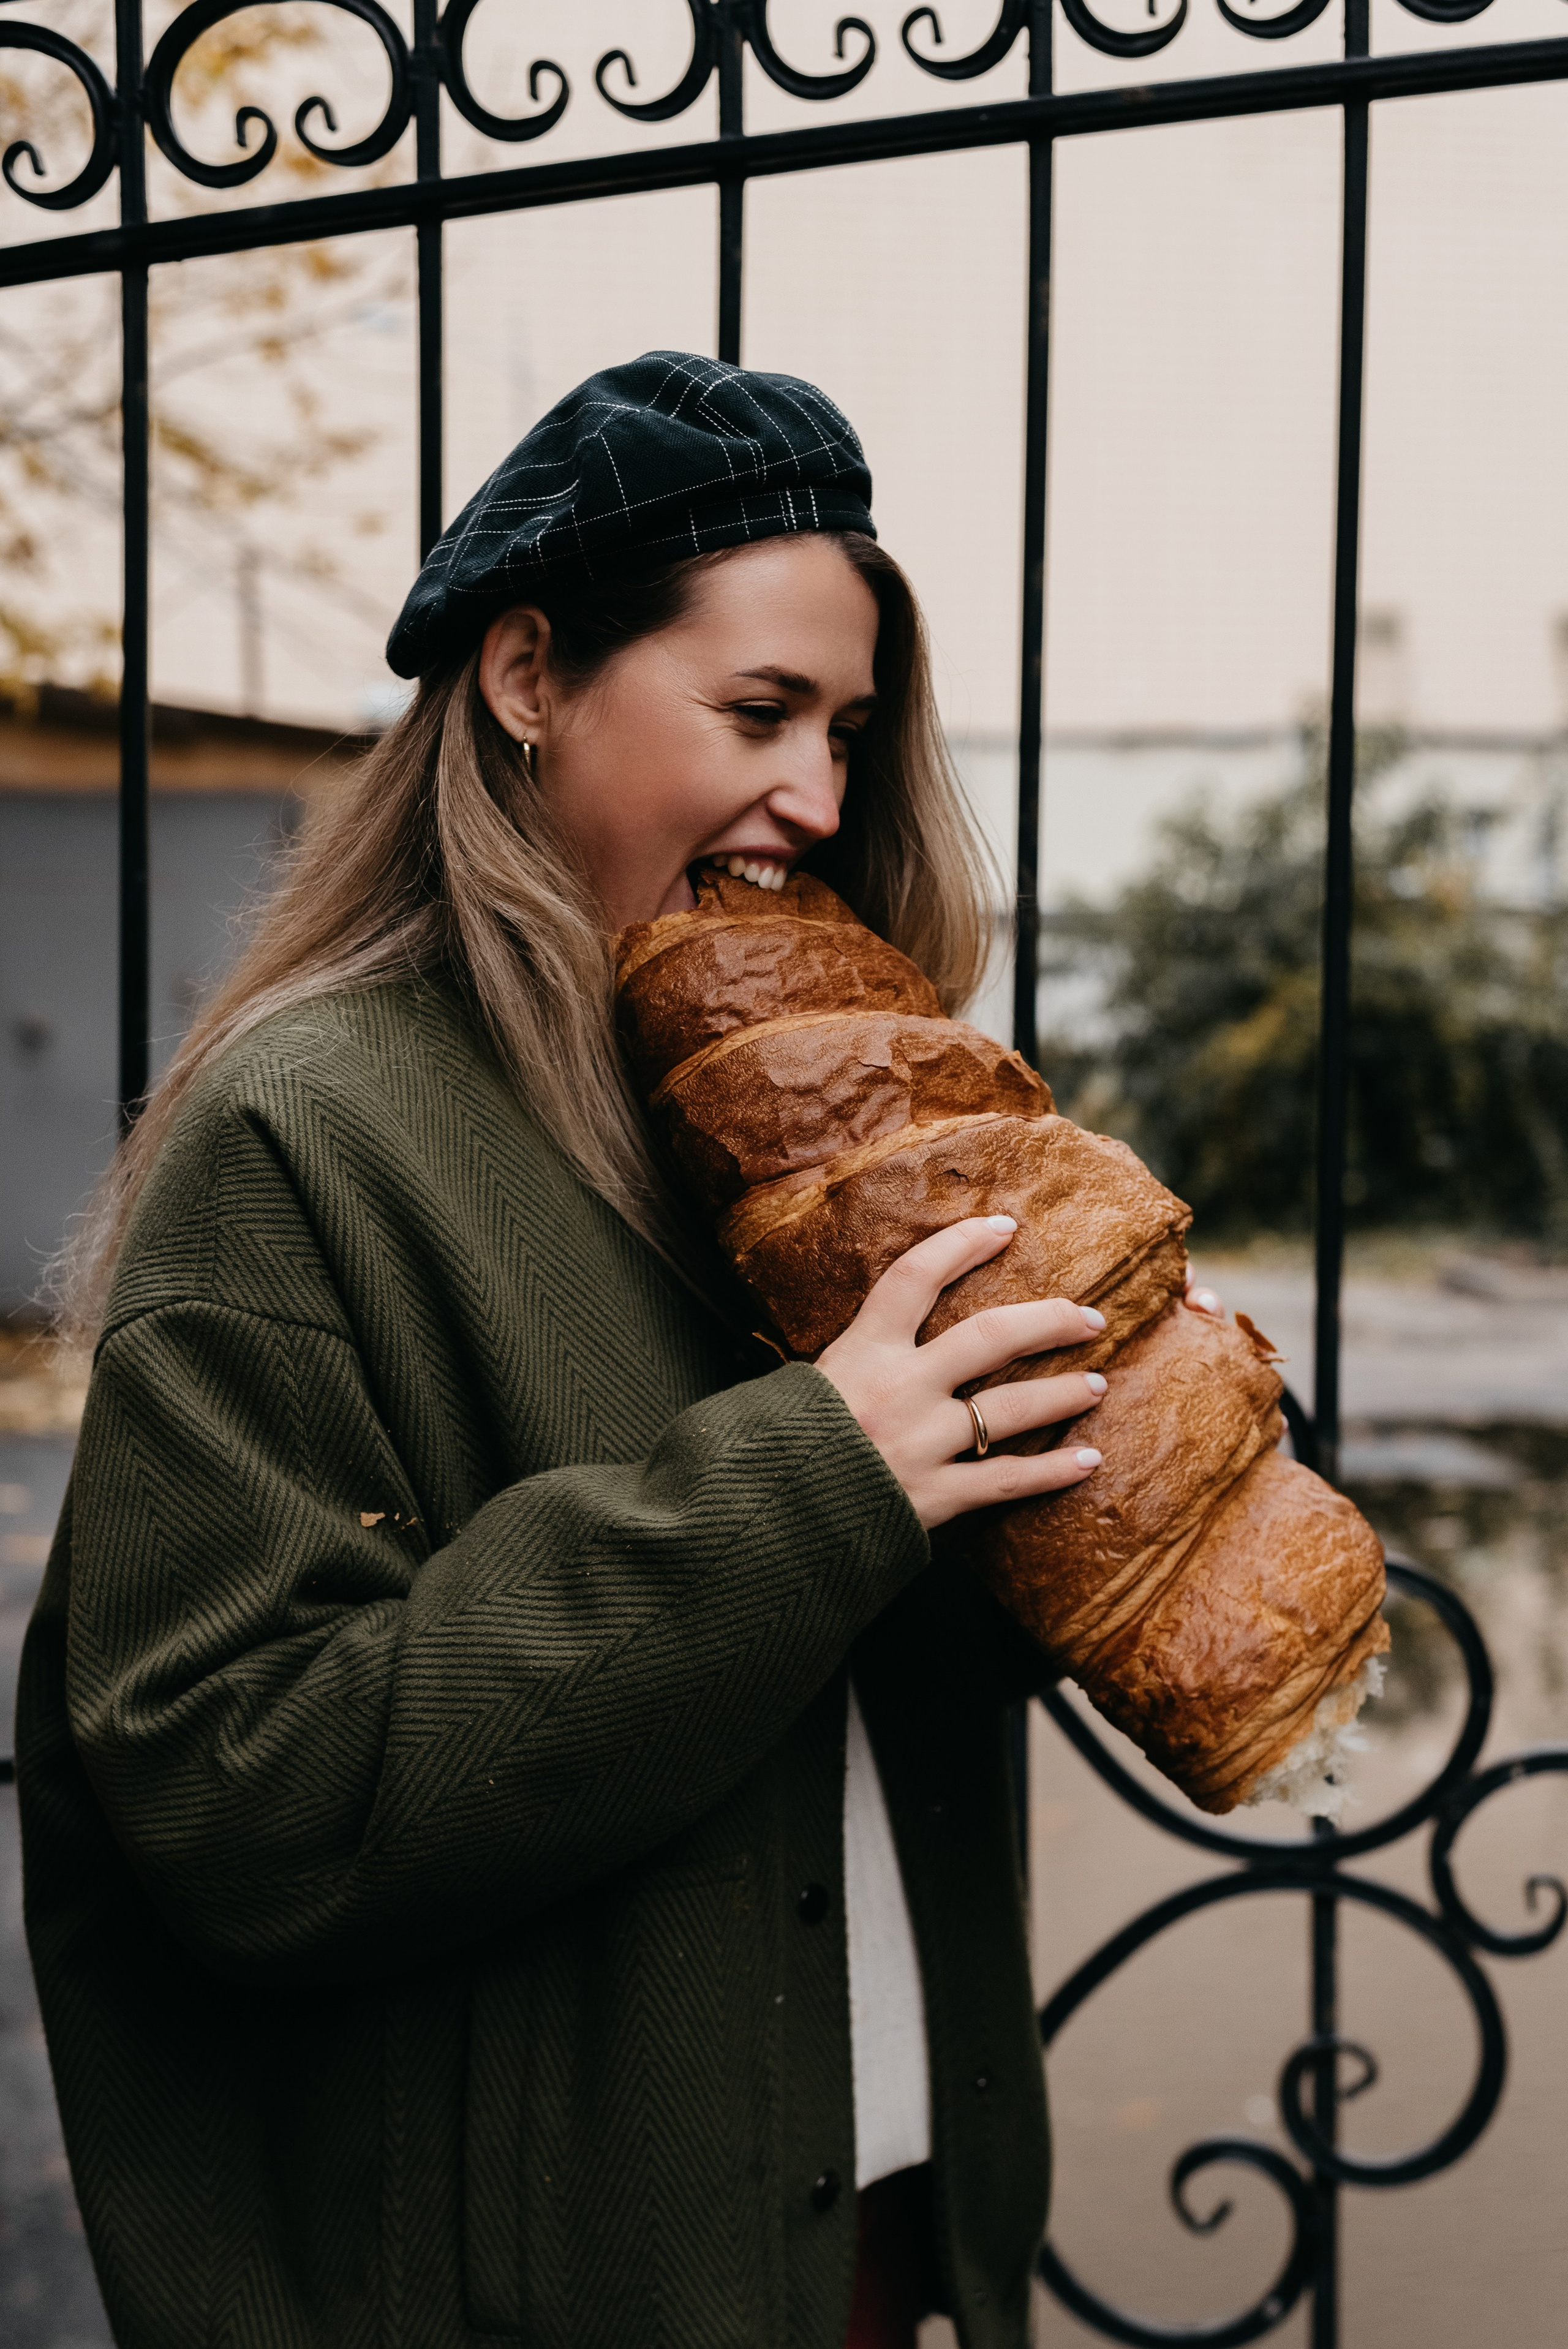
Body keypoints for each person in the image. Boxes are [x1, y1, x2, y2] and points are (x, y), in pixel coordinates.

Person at [18, 352, 1213, 2349]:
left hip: (876, 2243)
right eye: (757, 711)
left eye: (849, 730)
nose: (820, 795)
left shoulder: (815, 1122)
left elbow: (929, 1627)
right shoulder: (307, 1131)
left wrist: (1143, 1413)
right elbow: (241, 1792)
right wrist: (812, 1484)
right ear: (524, 675)